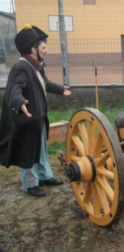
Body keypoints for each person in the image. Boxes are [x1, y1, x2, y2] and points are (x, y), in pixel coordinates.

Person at [0, 24, 72, 197]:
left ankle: (44, 176)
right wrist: (19, 101)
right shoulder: (21, 67)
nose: (46, 50)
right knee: (29, 151)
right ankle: (30, 184)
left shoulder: (36, 65)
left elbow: (44, 82)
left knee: (40, 149)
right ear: (33, 49)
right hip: (26, 119)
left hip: (38, 118)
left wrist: (61, 89)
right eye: (44, 47)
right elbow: (14, 88)